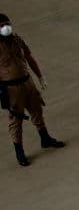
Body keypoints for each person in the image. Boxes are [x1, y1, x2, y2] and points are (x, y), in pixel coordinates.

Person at [0, 12, 64, 166]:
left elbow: (29, 57)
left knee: (36, 109)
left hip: (27, 82)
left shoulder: (17, 39)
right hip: (11, 87)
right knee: (16, 119)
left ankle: (45, 138)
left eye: (7, 24)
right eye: (1, 26)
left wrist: (40, 76)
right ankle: (19, 152)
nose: (5, 28)